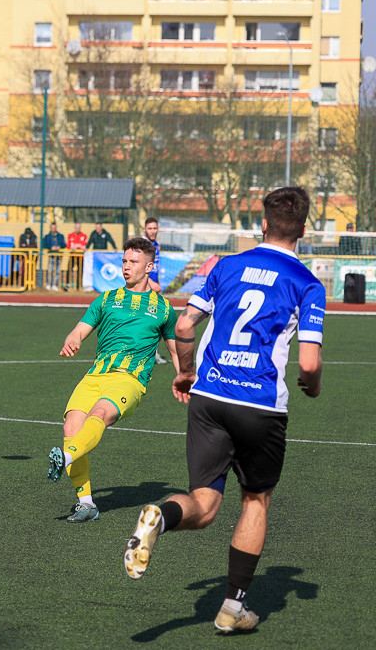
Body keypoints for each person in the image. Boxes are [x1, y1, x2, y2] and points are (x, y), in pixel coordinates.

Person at [123, 187, 324, 635]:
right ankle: (233, 607)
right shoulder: (308, 283)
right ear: (305, 231)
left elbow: (184, 324)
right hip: (259, 406)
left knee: (204, 503)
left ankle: (163, 515)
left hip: (210, 398)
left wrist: (186, 372)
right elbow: (308, 364)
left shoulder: (225, 266)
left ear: (264, 224)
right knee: (254, 500)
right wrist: (311, 384)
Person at [47, 237, 178, 523]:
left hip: (129, 380)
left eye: (134, 262)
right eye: (124, 261)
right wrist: (73, 340)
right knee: (72, 427)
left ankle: (65, 459)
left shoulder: (164, 308)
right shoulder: (106, 299)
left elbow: (174, 348)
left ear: (149, 266)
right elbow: (79, 330)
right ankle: (86, 504)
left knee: (101, 414)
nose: (126, 267)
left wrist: (183, 376)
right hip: (96, 375)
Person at [143, 217, 169, 364]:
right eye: (150, 228)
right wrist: (151, 283)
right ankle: (149, 353)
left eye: (154, 228)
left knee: (158, 321)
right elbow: (139, 269)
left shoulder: (155, 245)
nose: (152, 231)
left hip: (154, 289)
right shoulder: (143, 245)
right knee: (151, 321)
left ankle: (152, 352)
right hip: (145, 288)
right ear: (145, 229)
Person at [42, 222, 65, 291]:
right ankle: (49, 284)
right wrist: (50, 248)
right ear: (50, 228)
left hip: (58, 255)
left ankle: (55, 284)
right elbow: (44, 244)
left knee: (57, 271)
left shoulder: (60, 236)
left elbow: (63, 244)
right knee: (50, 270)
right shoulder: (47, 236)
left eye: (54, 227)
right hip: (51, 255)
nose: (53, 229)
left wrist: (59, 247)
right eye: (52, 227)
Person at [65, 222, 88, 290]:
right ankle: (67, 284)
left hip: (80, 257)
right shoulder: (70, 235)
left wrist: (77, 247)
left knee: (80, 271)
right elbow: (68, 245)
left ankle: (79, 286)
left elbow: (84, 245)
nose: (77, 229)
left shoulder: (84, 236)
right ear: (74, 228)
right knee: (69, 270)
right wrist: (76, 247)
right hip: (72, 256)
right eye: (76, 228)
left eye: (79, 228)